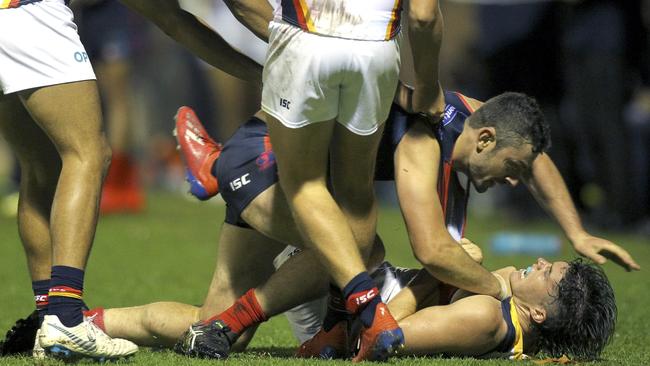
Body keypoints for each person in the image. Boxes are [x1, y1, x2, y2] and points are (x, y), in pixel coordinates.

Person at [0, 0, 137, 361]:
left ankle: (48, 314)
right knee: (88, 152)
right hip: (29, 11)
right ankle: (66, 313)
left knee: (39, 165)